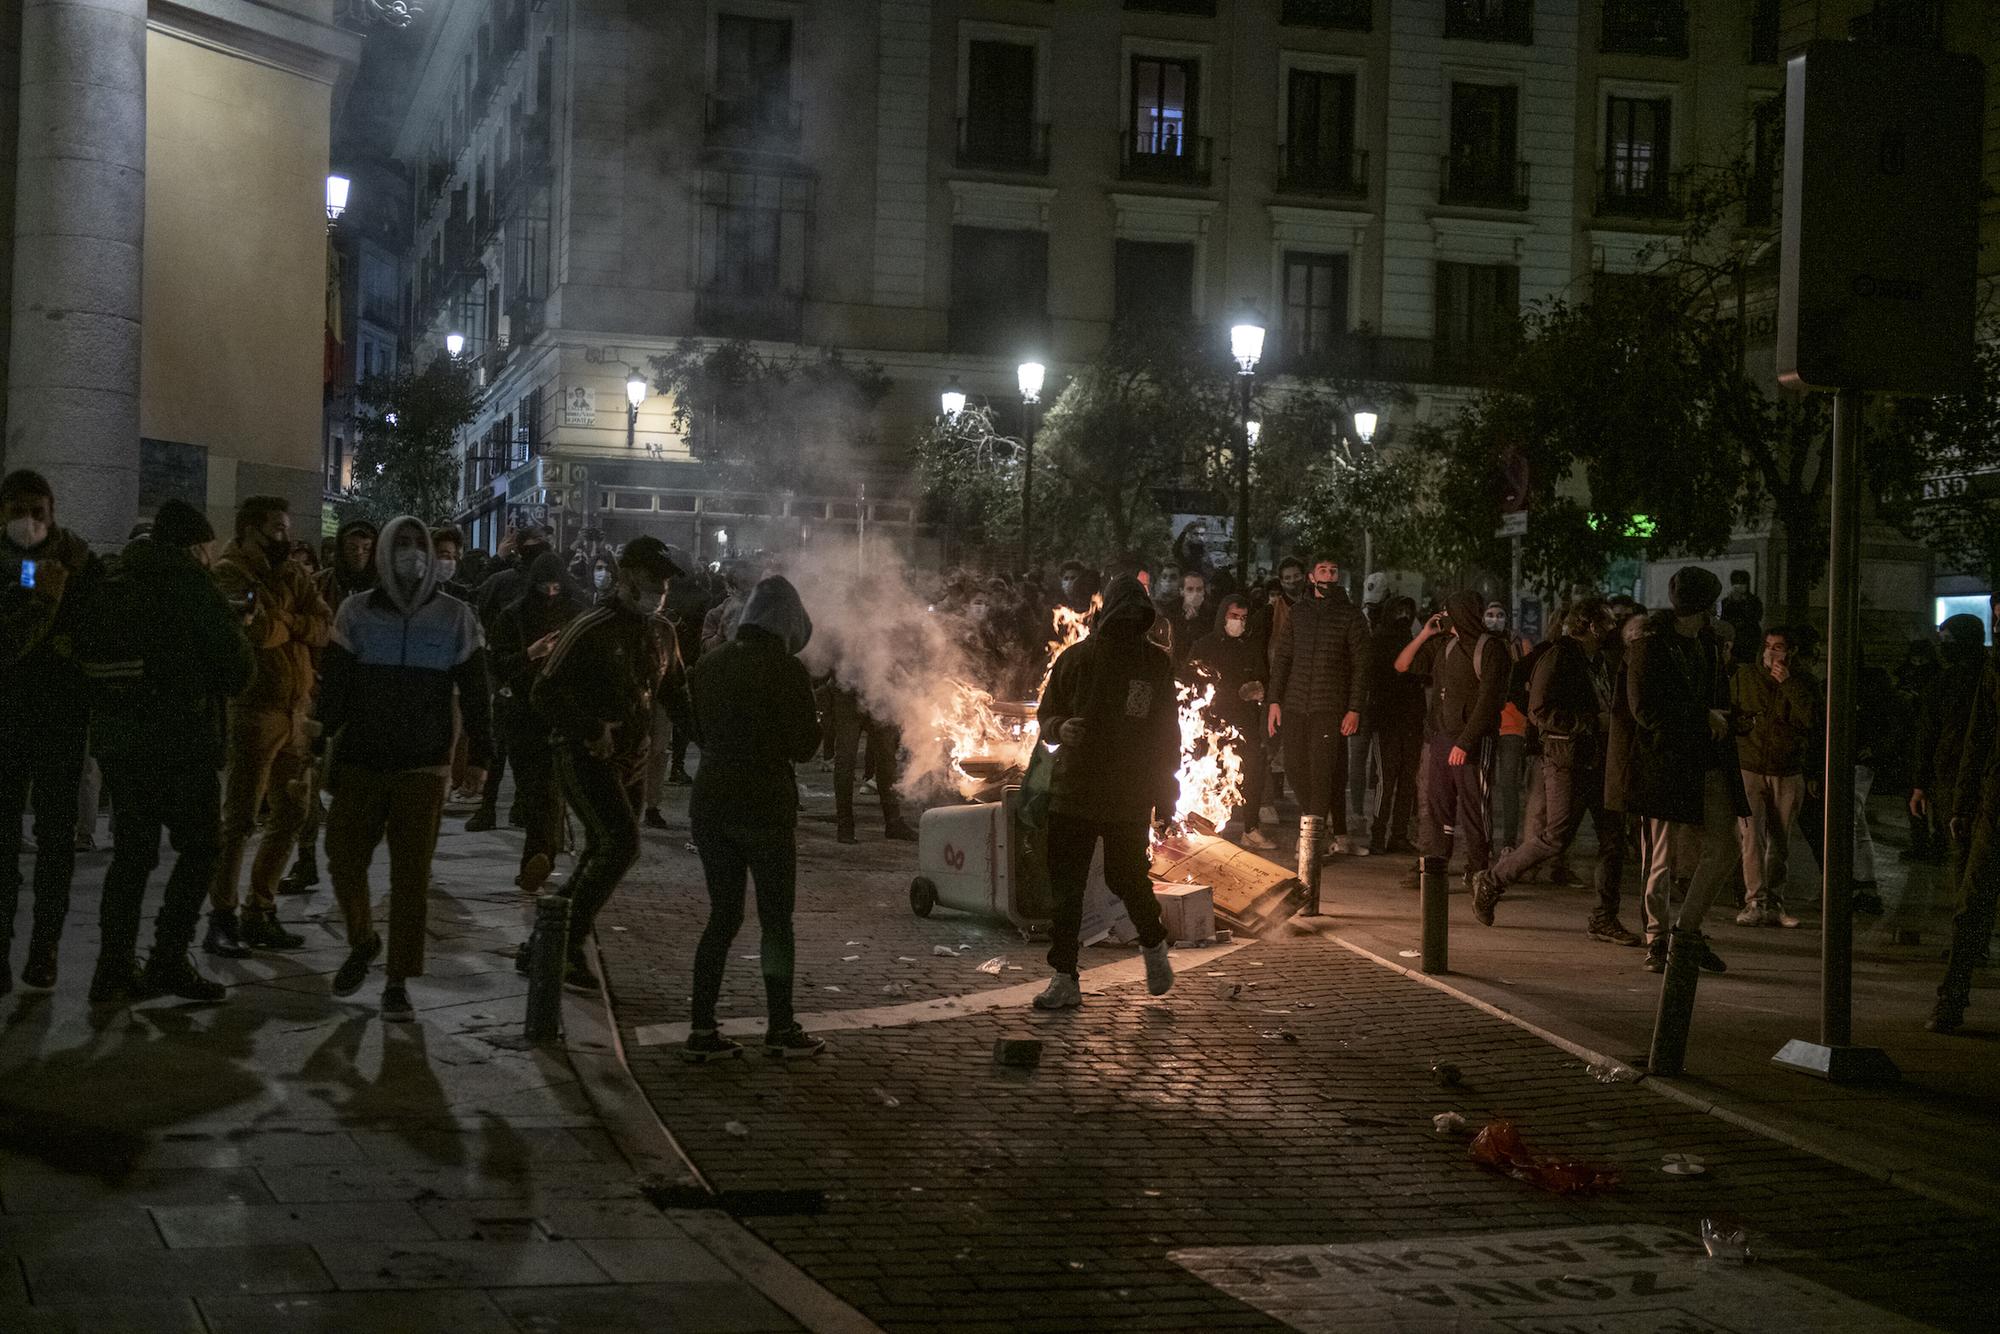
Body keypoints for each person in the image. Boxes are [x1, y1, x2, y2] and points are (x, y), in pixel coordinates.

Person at [78, 501, 252, 1003]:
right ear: (197, 546)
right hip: (181, 739)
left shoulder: (115, 574)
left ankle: (112, 970)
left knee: (132, 856)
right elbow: (236, 667)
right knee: (201, 846)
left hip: (120, 738)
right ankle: (168, 959)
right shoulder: (190, 582)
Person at [320, 517, 492, 1021]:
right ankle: (362, 939)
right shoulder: (355, 613)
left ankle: (398, 981)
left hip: (424, 765)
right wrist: (313, 741)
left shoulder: (457, 617)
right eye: (405, 544)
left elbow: (478, 695)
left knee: (411, 876)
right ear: (384, 552)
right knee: (342, 856)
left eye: (421, 544)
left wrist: (481, 757)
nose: (415, 553)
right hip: (361, 761)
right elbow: (333, 689)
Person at [532, 537, 692, 993]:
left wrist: (713, 741)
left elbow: (676, 695)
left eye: (664, 583)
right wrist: (589, 727)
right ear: (625, 578)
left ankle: (545, 943)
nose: (659, 591)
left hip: (632, 761)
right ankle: (568, 945)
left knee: (602, 850)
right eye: (650, 580)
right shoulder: (590, 626)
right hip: (583, 754)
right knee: (621, 845)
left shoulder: (663, 633)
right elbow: (544, 692)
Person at [683, 575, 826, 1060]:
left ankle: (701, 1030)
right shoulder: (787, 670)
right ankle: (780, 1029)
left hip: (712, 800)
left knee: (721, 917)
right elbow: (804, 746)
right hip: (764, 802)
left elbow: (697, 730)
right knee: (775, 920)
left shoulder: (709, 663)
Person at [1028, 575, 1178, 1010]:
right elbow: (1047, 713)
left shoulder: (1155, 665)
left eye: (1138, 612)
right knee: (1067, 888)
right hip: (1074, 787)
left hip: (1128, 793)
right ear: (1108, 612)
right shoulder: (1076, 659)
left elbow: (1167, 733)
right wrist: (1061, 728)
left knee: (1126, 877)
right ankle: (1064, 976)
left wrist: (1166, 792)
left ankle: (1153, 944)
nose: (1129, 620)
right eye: (1122, 611)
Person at [1470, 599, 1640, 945]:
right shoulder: (1560, 656)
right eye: (1607, 622)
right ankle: (1493, 879)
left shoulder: (1600, 660)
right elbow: (1540, 710)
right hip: (1567, 760)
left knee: (1612, 839)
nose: (1613, 627)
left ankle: (1604, 917)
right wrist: (1591, 723)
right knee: (1555, 837)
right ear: (1591, 625)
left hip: (1598, 759)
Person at [206, 495, 330, 958]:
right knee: (239, 817)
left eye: (287, 527)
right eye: (276, 528)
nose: (286, 536)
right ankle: (221, 914)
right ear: (250, 529)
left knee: (293, 812)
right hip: (254, 709)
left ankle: (260, 908)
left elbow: (322, 626)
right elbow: (255, 633)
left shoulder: (294, 573)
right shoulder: (231, 572)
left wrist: (286, 622)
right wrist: (291, 625)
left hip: (295, 710)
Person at [1605, 566, 1746, 975]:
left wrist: (1727, 716)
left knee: (1725, 845)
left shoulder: (1706, 644)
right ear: (1701, 607)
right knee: (1661, 854)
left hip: (1705, 760)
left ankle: (1687, 930)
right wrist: (1702, 716)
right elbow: (1645, 710)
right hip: (1662, 763)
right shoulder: (1650, 645)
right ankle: (1658, 937)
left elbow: (1712, 693)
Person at [0, 470, 101, 991]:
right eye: (18, 510)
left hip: (61, 718)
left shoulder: (80, 561)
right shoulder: (12, 564)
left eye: (37, 510)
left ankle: (44, 951)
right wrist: (41, 589)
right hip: (8, 716)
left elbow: (98, 626)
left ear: (53, 510)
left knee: (56, 839)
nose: (29, 521)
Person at [488, 552, 584, 895]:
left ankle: (540, 857)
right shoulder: (513, 617)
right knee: (533, 790)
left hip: (563, 715)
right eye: (546, 586)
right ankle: (539, 855)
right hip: (523, 716)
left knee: (552, 789)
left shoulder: (577, 614)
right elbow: (498, 664)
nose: (552, 593)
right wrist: (531, 653)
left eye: (558, 586)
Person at [1395, 591, 1506, 889]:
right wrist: (1423, 636)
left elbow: (1488, 701)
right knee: (1438, 805)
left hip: (1471, 743)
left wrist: (1466, 742)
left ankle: (1479, 870)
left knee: (1474, 808)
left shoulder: (1491, 648)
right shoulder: (1444, 645)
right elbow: (1402, 665)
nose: (1442, 616)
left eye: (1447, 611)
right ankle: (1436, 864)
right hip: (1442, 739)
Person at [1269, 557, 1368, 859]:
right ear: (1311, 577)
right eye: (1323, 570)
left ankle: (1310, 838)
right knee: (1296, 767)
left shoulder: (1350, 615)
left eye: (1334, 570)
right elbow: (1283, 658)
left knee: (1322, 771)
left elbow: (1361, 665)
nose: (1329, 574)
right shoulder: (1298, 613)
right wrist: (1274, 700)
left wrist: (1354, 708)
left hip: (1330, 705)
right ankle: (1319, 827)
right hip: (1296, 703)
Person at [1933, 602, 2000, 1034]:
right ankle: (1951, 1000)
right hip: (1994, 803)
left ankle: (1951, 1000)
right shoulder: (1994, 668)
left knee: (1972, 902)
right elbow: (1979, 734)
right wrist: (1962, 803)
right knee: (1971, 902)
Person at [468, 525, 558, 832]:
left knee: (528, 752)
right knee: (498, 744)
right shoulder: (501, 582)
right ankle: (488, 806)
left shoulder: (552, 585)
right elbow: (481, 603)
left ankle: (521, 806)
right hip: (507, 670)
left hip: (540, 676)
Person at [1730, 628, 1817, 928]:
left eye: (1778, 647)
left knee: (1780, 841)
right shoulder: (1746, 676)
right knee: (1751, 837)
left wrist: (1788, 684)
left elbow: (1812, 720)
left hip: (1786, 768)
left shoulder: (1803, 681)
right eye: (1767, 646)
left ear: (1790, 651)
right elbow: (1732, 712)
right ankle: (1754, 901)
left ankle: (1775, 903)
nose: (1771, 652)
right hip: (1751, 765)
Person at [1910, 612, 1987, 897]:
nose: (1944, 646)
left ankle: (1969, 926)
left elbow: (1928, 736)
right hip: (1958, 775)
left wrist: (1920, 783)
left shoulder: (1946, 683)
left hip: (1955, 776)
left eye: (1949, 640)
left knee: (1963, 854)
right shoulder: (1961, 679)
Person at [1188, 594, 1272, 849]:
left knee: (1253, 773)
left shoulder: (1251, 646)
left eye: (1243, 618)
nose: (1238, 622)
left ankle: (1251, 828)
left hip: (1245, 721)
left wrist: (1259, 689)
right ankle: (1209, 828)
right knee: (1211, 774)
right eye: (1234, 617)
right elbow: (1190, 681)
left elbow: (1263, 678)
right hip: (1211, 722)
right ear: (1223, 616)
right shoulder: (1204, 645)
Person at [1366, 596, 1424, 855]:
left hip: (1411, 719)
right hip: (1387, 719)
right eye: (1399, 611)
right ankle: (1379, 833)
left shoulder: (1412, 640)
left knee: (1407, 780)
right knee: (1386, 780)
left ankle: (1398, 834)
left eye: (1407, 611)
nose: (1403, 616)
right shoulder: (1380, 639)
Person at [316, 518, 377, 609]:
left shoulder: (383, 585)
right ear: (342, 550)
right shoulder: (321, 582)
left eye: (366, 548)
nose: (359, 553)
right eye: (352, 548)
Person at [1164, 569, 1209, 670]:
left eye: (1199, 589)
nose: (1195, 593)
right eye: (1190, 589)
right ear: (1181, 591)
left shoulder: (1210, 614)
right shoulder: (1169, 612)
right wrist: (1185, 621)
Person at [1718, 570, 1763, 666]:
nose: (1739, 586)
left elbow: (1757, 617)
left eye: (1742, 583)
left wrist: (1744, 602)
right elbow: (1722, 619)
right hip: (1732, 641)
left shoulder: (1753, 601)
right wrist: (1732, 602)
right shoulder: (1726, 602)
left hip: (1749, 640)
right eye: (1736, 583)